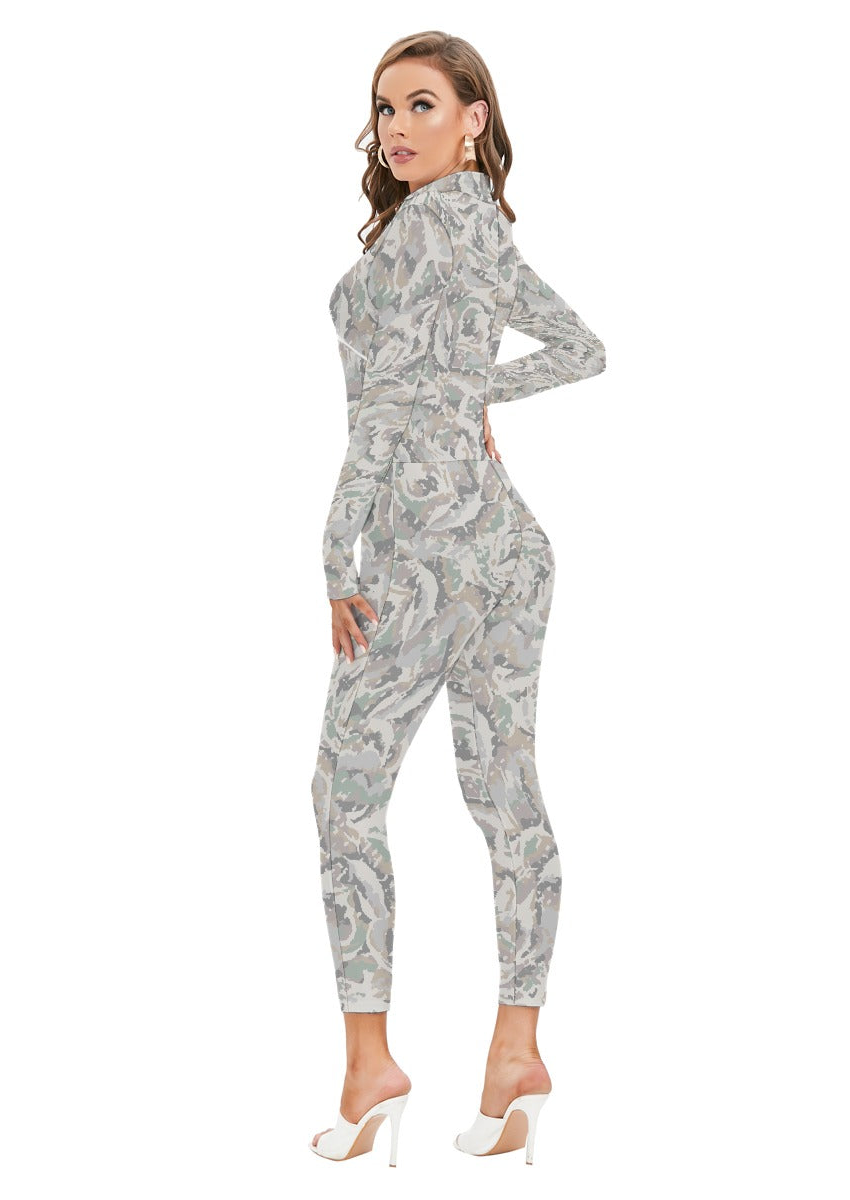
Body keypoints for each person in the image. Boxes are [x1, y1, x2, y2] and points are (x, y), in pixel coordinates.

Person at [309, 33, 605, 1165]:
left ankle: (368, 1067)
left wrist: (336, 553)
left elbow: (385, 411)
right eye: (385, 108)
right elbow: (580, 348)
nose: (395, 127)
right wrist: (472, 392)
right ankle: (516, 1051)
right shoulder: (481, 225)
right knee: (505, 797)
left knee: (344, 796)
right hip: (508, 548)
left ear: (475, 117)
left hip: (423, 552)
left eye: (422, 105)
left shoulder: (426, 228)